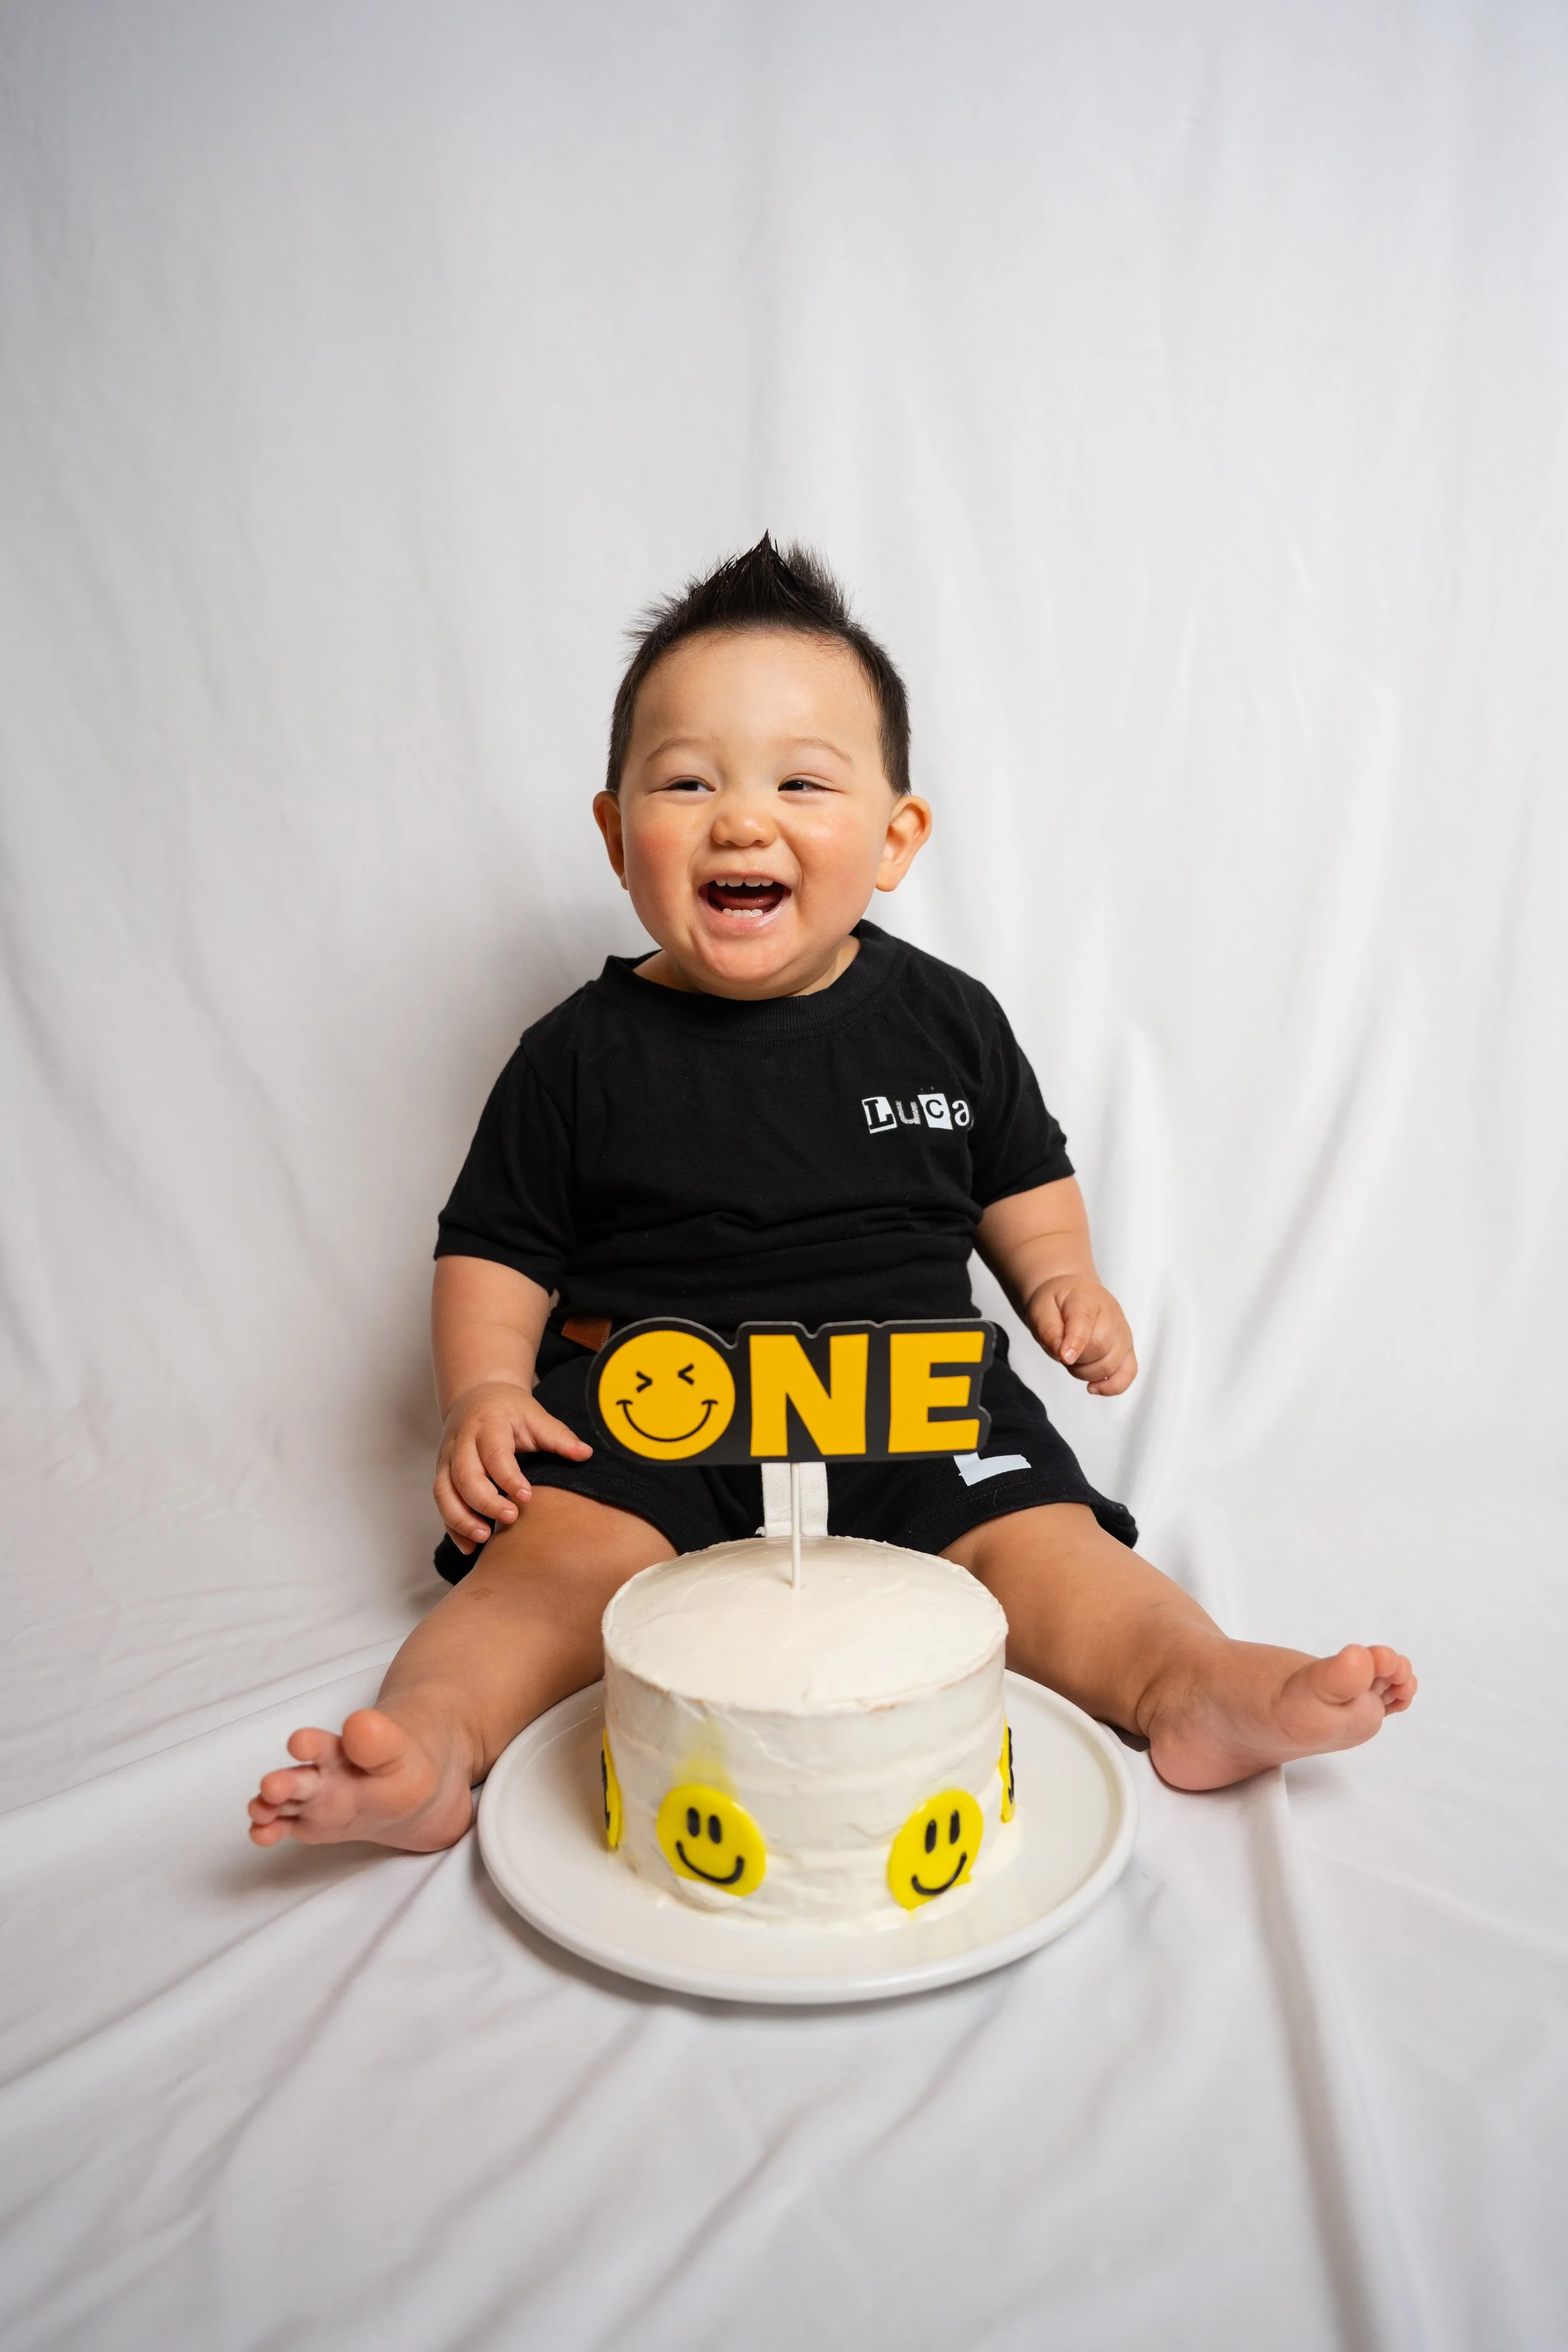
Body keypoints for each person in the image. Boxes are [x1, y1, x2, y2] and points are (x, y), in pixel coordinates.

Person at [248, 538, 1416, 1851]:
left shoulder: (944, 1022)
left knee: (1046, 1550)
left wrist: (1057, 1283)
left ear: (894, 839)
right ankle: (432, 1750)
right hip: (654, 1403)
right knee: (543, 1578)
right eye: (685, 782)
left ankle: (1188, 1686)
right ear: (613, 831)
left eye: (800, 782)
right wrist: (483, 1391)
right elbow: (495, 1249)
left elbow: (1022, 1183)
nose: (740, 819)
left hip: (911, 1400)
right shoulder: (578, 1053)